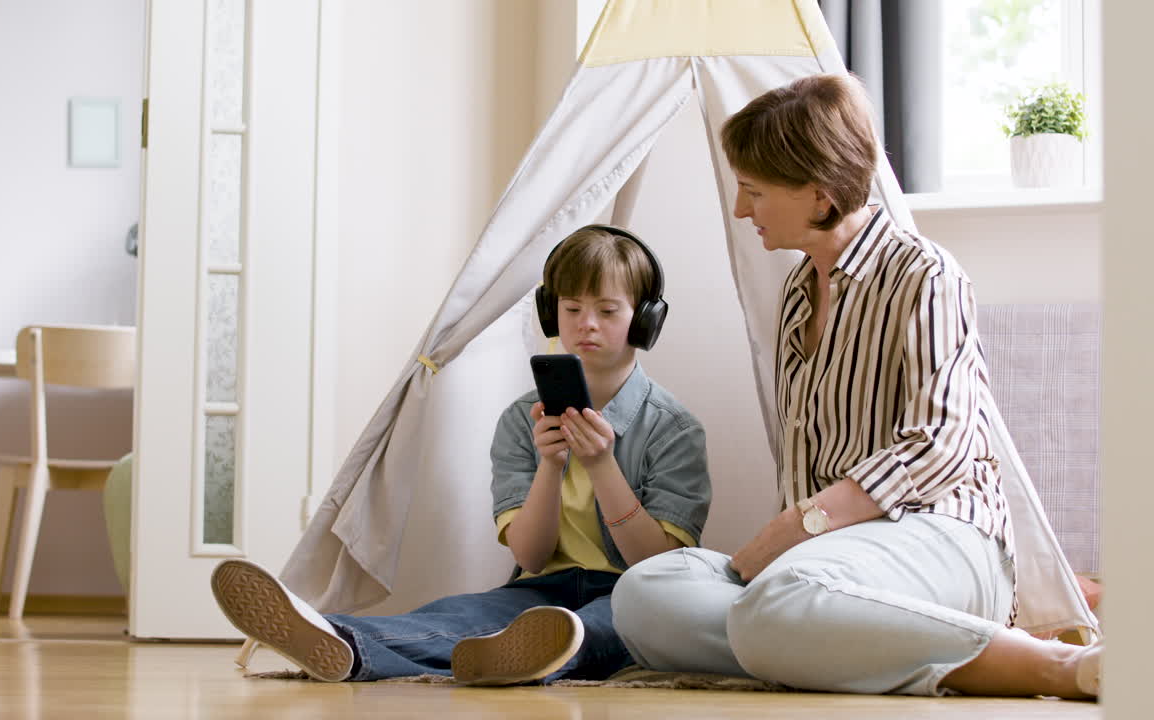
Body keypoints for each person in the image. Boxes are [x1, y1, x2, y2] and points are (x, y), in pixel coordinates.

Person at [610, 73, 1102, 699]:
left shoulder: (924, 273)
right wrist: (803, 544)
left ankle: (1050, 665)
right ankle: (835, 643)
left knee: (776, 607)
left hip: (943, 535)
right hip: (831, 561)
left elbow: (939, 445)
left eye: (753, 191)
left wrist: (799, 526)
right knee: (646, 594)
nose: (741, 209)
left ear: (819, 197)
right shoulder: (796, 292)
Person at [211, 225, 712, 685]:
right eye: (572, 308)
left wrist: (602, 467)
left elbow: (656, 564)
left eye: (607, 311)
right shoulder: (523, 420)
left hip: (631, 594)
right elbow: (530, 556)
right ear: (549, 311)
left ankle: (525, 654)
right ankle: (340, 638)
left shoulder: (673, 428)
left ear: (645, 321)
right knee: (457, 616)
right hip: (541, 589)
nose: (586, 325)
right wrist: (551, 465)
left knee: (595, 629)